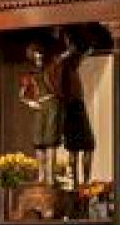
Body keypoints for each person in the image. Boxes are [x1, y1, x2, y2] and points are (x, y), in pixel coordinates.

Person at [16, 31, 97, 188]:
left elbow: (63, 58)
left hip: (54, 104)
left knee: (52, 141)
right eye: (35, 55)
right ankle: (42, 176)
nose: (38, 57)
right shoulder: (33, 73)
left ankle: (52, 177)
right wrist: (30, 102)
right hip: (42, 106)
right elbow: (23, 94)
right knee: (39, 142)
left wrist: (72, 49)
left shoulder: (53, 66)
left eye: (40, 54)